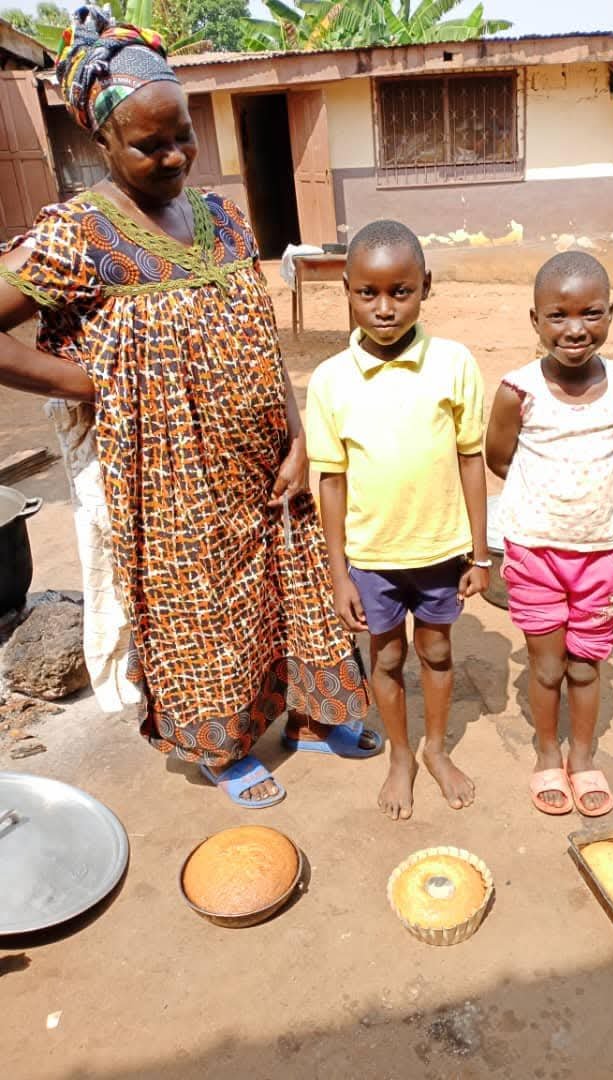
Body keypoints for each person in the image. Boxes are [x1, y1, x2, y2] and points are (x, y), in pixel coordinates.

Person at [0, 6, 378, 809]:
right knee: (199, 608)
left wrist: (300, 434)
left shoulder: (220, 217)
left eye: (184, 137)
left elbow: (259, 333)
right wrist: (87, 383)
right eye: (149, 144)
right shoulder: (78, 236)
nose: (174, 155)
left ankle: (316, 711)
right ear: (97, 139)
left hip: (263, 451)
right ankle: (224, 744)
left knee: (293, 578)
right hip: (168, 474)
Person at [305, 220, 489, 821]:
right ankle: (401, 755)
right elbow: (330, 482)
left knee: (436, 654)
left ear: (425, 287)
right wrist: (339, 576)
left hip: (439, 550)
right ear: (348, 290)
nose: (384, 309)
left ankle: (437, 749)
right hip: (373, 559)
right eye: (368, 293)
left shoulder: (454, 364)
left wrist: (480, 554)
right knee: (385, 660)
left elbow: (470, 459)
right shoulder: (332, 380)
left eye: (401, 291)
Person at [486, 252, 613, 818]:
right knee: (548, 666)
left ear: (611, 314)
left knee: (587, 665)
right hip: (536, 553)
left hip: (603, 554)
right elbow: (499, 458)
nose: (575, 329)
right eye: (557, 315)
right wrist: (550, 499)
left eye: (591, 314)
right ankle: (546, 751)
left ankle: (582, 756)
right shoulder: (518, 391)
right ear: (534, 319)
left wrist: (587, 499)